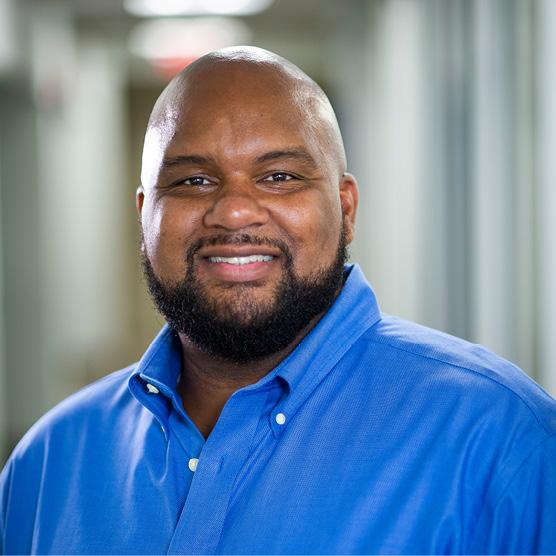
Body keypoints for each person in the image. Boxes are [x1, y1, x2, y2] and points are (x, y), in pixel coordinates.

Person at [1, 46, 555, 555]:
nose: (235, 211)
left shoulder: (502, 443)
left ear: (346, 207)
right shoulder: (48, 465)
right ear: (144, 213)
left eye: (280, 176)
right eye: (193, 181)